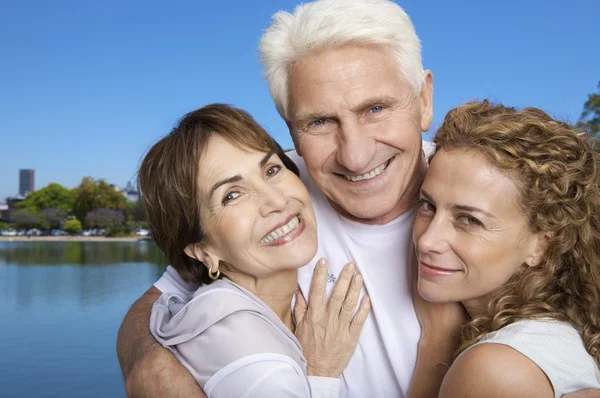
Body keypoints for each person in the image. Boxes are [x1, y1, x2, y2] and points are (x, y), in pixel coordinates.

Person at [117, 1, 464, 397]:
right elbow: (154, 306)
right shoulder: (283, 187)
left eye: (376, 108)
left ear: (424, 99)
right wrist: (148, 367)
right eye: (319, 122)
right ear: (292, 131)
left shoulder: (484, 190)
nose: (355, 155)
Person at [140, 103, 371, 397]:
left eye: (271, 170)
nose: (275, 200)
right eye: (232, 195)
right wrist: (320, 375)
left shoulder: (223, 310)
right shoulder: (262, 371)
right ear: (200, 250)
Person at [413, 100, 600, 397]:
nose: (427, 241)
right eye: (427, 205)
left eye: (469, 220)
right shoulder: (549, 339)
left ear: (542, 244)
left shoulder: (495, 369)